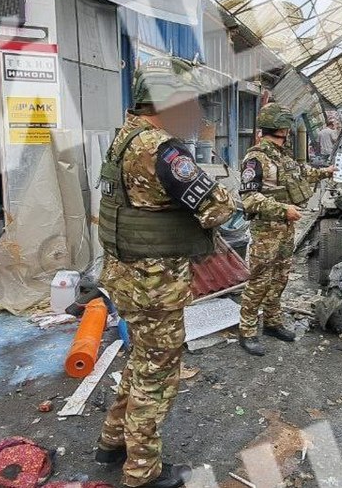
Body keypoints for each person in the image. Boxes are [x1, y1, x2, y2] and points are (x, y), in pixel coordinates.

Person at [95, 57, 237, 488]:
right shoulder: (163, 150)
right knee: (157, 374)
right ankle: (142, 472)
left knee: (141, 360)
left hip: (124, 275)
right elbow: (218, 208)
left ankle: (112, 440)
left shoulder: (124, 137)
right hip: (154, 284)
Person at [237, 103, 335, 356]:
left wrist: (327, 172)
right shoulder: (255, 158)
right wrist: (283, 210)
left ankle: (272, 322)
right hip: (266, 229)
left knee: (280, 277)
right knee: (259, 280)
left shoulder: (282, 155)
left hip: (285, 228)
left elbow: (301, 173)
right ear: (283, 128)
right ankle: (247, 331)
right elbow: (248, 198)